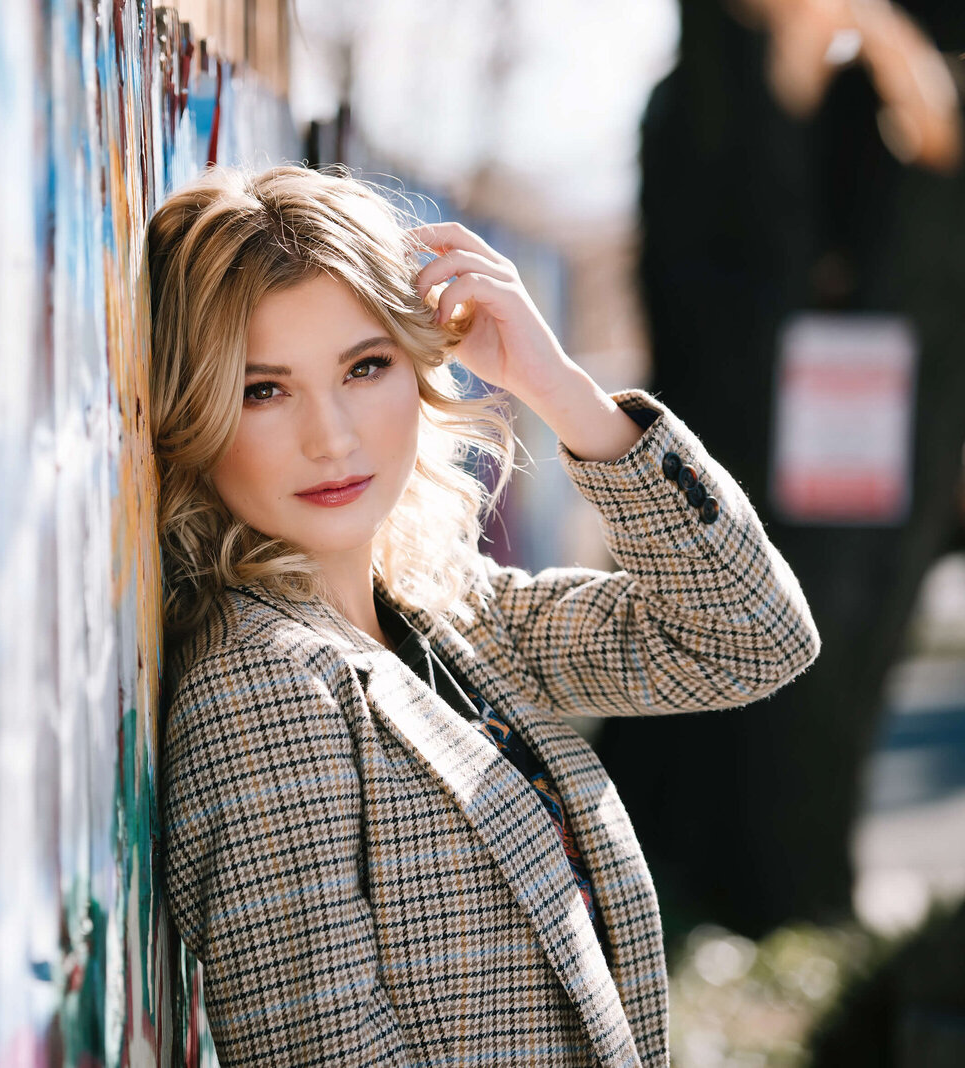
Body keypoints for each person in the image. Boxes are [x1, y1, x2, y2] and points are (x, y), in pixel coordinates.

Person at [147, 163, 821, 1065]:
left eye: (366, 367)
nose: (333, 437)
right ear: (197, 410)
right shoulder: (264, 690)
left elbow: (752, 639)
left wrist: (561, 390)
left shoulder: (450, 616)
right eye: (264, 389)